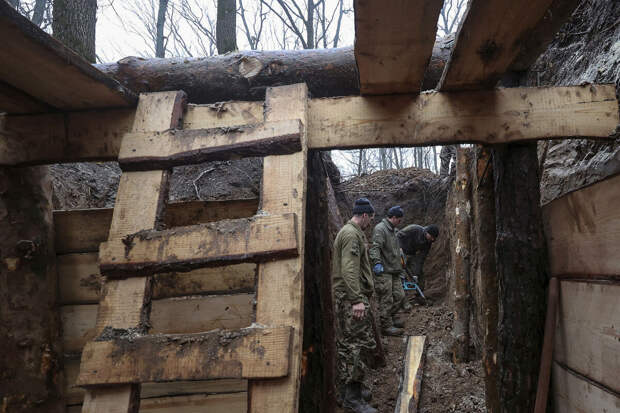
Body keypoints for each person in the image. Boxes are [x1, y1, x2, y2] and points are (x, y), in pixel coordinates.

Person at [332, 198, 378, 413]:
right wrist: (357, 300)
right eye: (370, 219)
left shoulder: (351, 232)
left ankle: (353, 389)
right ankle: (352, 398)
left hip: (351, 296)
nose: (370, 224)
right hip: (351, 299)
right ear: (365, 215)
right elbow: (349, 269)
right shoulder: (351, 234)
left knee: (354, 343)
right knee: (354, 346)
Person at [369, 206, 407, 336]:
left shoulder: (393, 231)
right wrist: (377, 263)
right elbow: (375, 247)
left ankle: (392, 318)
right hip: (384, 270)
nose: (400, 223)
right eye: (399, 220)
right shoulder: (380, 229)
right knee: (386, 299)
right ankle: (386, 325)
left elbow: (397, 252)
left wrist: (401, 269)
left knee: (400, 296)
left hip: (395, 269)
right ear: (394, 217)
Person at [397, 224, 439, 289]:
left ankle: (419, 294)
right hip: (400, 250)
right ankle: (399, 288)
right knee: (401, 267)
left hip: (411, 253)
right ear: (427, 232)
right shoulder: (414, 229)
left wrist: (416, 274)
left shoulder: (428, 242)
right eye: (431, 236)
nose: (432, 239)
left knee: (419, 275)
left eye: (434, 238)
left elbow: (421, 259)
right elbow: (398, 235)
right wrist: (399, 248)